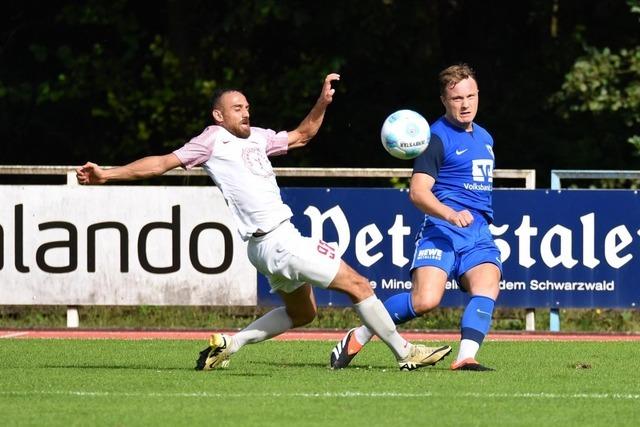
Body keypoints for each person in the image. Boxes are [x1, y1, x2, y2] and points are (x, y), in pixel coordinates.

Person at [76, 73, 451, 371]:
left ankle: (229, 345)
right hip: (278, 242)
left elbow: (303, 136)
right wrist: (106, 174)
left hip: (266, 245)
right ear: (218, 116)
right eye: (237, 107)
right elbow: (160, 163)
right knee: (359, 284)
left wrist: (322, 102)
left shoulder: (258, 137)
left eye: (247, 106)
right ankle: (405, 352)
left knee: (303, 312)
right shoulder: (210, 141)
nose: (246, 112)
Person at [330, 64, 501, 371]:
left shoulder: (486, 137)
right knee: (425, 300)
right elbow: (418, 192)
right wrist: (450, 214)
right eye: (457, 98)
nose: (465, 104)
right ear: (444, 101)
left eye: (470, 96)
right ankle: (363, 331)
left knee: (488, 284)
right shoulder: (434, 138)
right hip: (442, 228)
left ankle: (466, 357)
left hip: (477, 233)